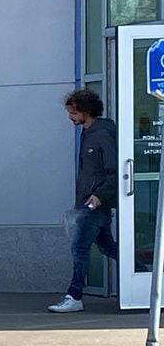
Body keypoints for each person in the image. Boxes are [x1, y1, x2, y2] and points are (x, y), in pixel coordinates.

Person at [48, 89, 119, 314]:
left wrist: (98, 196)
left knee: (80, 247)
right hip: (90, 202)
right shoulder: (88, 133)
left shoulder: (102, 135)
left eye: (73, 112)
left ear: (86, 111)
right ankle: (146, 274)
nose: (70, 116)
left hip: (96, 203)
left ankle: (75, 295)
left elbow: (115, 171)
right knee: (109, 247)